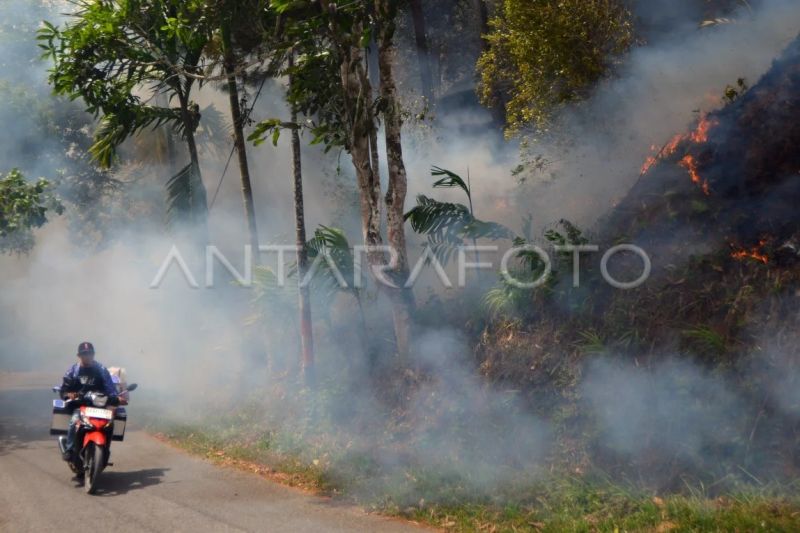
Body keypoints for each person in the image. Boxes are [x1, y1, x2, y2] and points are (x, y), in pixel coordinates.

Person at [60, 341, 118, 461]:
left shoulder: (101, 369)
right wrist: (68, 394)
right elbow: (64, 389)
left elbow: (110, 388)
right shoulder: (73, 371)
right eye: (84, 354)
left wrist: (115, 400)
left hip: (99, 406)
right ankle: (69, 449)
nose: (87, 356)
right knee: (74, 421)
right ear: (79, 355)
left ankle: (105, 450)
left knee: (110, 424)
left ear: (94, 354)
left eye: (90, 353)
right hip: (80, 405)